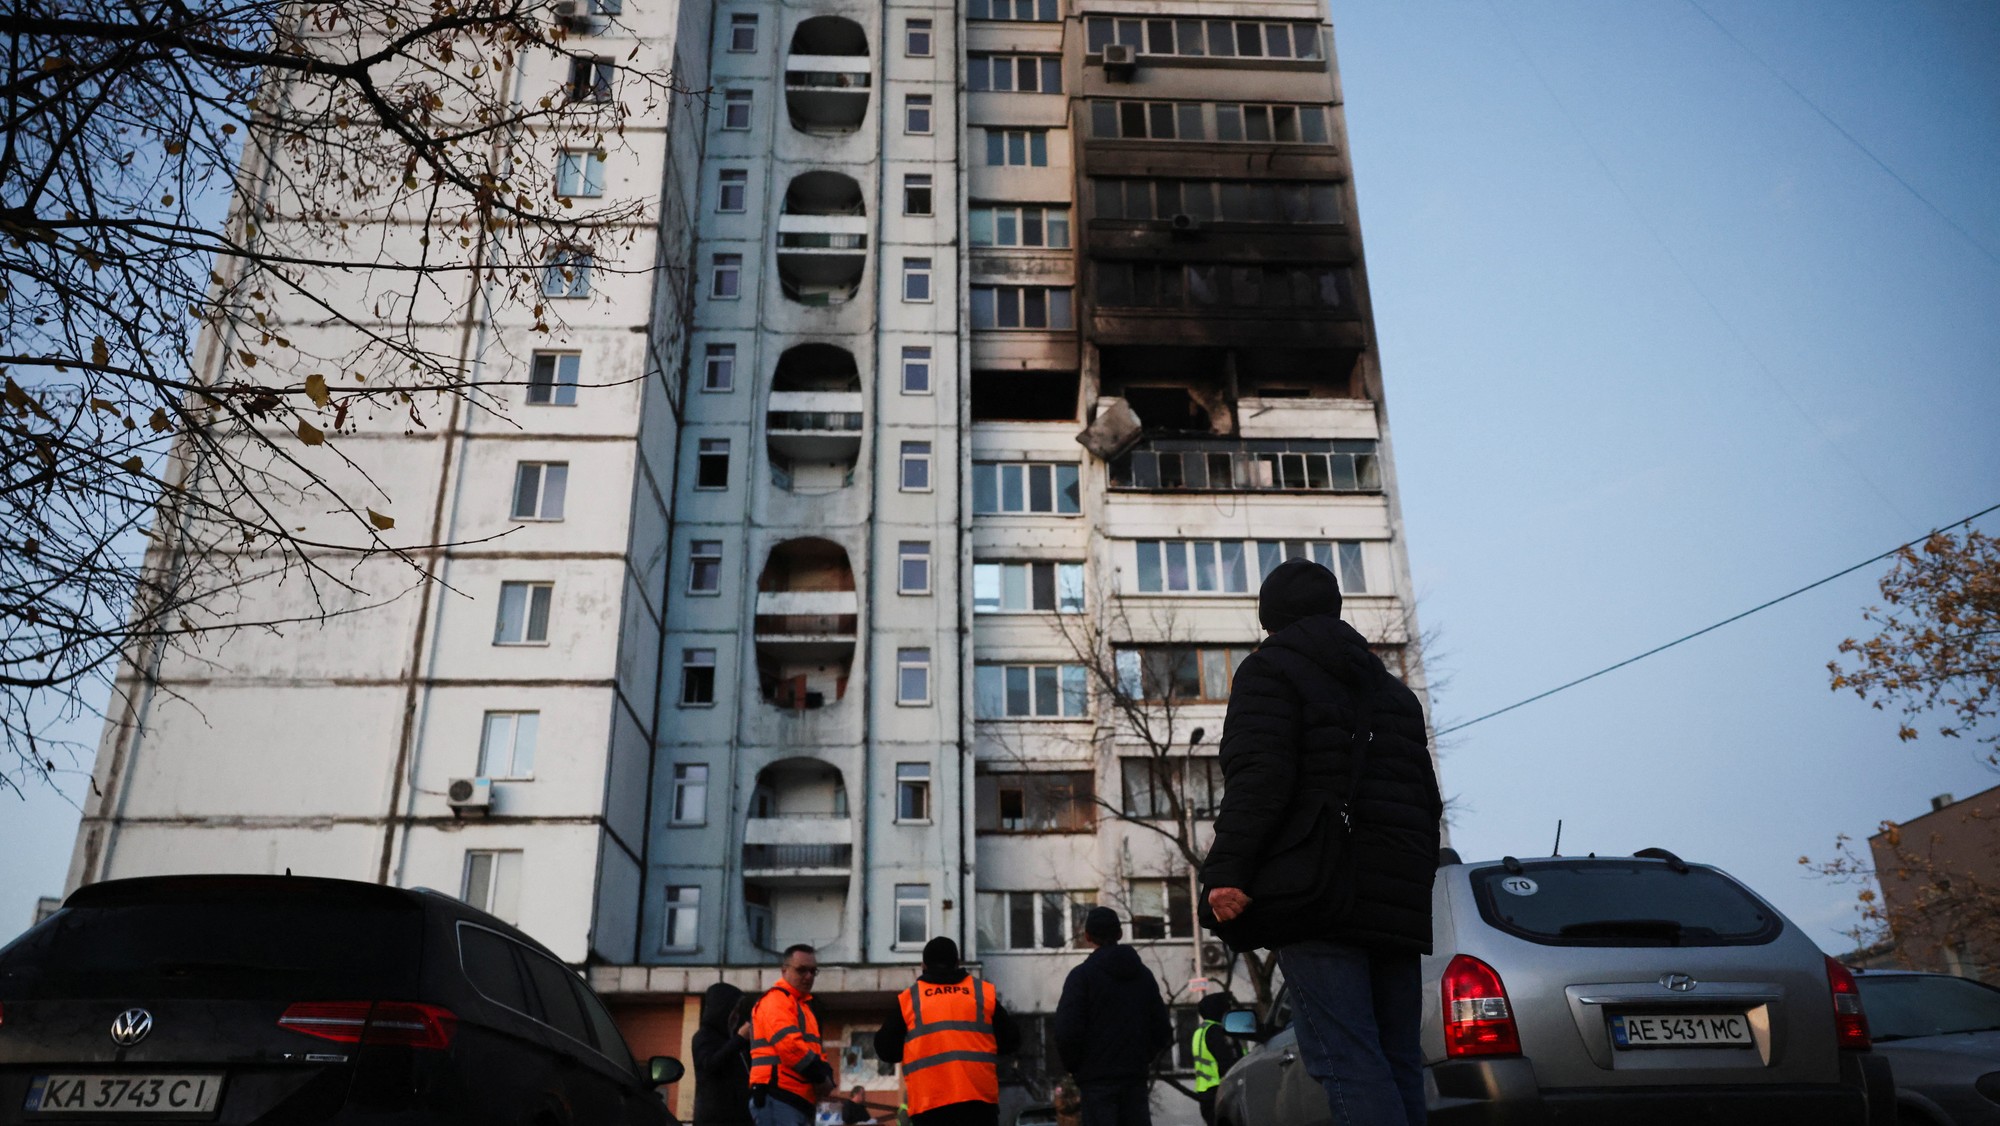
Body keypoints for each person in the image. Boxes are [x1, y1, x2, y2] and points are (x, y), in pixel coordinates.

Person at [1201, 559, 1442, 1126]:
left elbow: (1260, 777)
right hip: (1396, 902)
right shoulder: (1393, 693)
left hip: (1318, 894)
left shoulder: (1269, 673)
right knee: (1399, 1059)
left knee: (1346, 1060)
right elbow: (1425, 802)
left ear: (1270, 618)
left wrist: (1227, 869)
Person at [874, 936, 1020, 1126]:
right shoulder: (981, 993)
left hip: (930, 1109)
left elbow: (886, 1051)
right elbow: (1012, 1040)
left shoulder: (911, 999)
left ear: (923, 965)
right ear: (957, 963)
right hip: (979, 1107)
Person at [1051, 908, 1172, 1126]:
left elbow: (1066, 1031)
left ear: (1087, 936)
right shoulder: (1143, 976)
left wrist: (1078, 1068)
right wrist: (1141, 1058)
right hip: (1134, 1079)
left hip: (1096, 1082)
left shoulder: (1082, 977)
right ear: (1119, 934)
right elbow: (1162, 1029)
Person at [750, 944, 837, 1126]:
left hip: (794, 1099)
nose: (809, 976)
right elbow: (790, 1046)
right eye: (802, 970)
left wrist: (825, 1074)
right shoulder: (776, 1000)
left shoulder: (803, 1007)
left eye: (813, 971)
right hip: (779, 1095)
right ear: (784, 970)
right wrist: (822, 1077)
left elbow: (815, 1051)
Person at [693, 981, 753, 1126]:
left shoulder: (733, 1041)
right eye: (734, 1010)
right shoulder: (704, 1036)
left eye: (738, 1011)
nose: (736, 1016)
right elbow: (710, 1065)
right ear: (722, 1009)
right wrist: (739, 1039)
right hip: (715, 1119)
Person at [1188, 993, 1241, 1126]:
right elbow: (1228, 1062)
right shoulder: (1217, 1032)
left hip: (1205, 1093)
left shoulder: (1200, 1032)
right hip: (1219, 1091)